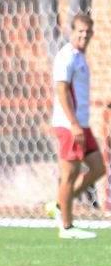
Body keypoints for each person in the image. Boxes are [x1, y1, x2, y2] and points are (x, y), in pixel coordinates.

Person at [45, 14, 104, 239]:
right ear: (72, 31)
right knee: (69, 175)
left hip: (82, 125)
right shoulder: (66, 56)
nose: (84, 35)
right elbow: (61, 90)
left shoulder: (80, 57)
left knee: (98, 168)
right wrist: (73, 124)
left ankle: (60, 205)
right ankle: (67, 227)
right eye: (80, 31)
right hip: (70, 126)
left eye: (88, 32)